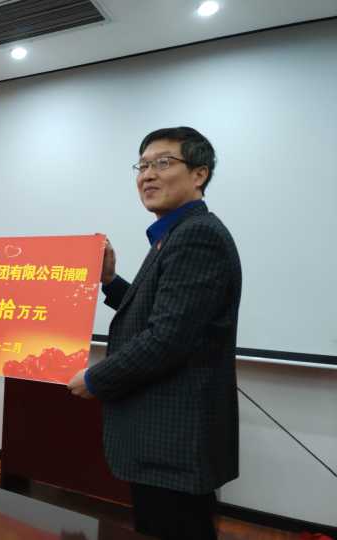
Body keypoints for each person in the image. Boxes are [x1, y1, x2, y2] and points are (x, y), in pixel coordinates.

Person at [68, 127, 242, 539]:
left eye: (163, 163)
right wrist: (110, 282)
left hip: (173, 441)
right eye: (142, 165)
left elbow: (166, 338)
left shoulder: (196, 235)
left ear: (199, 174)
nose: (147, 175)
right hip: (164, 440)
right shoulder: (174, 234)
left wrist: (96, 378)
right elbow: (158, 313)